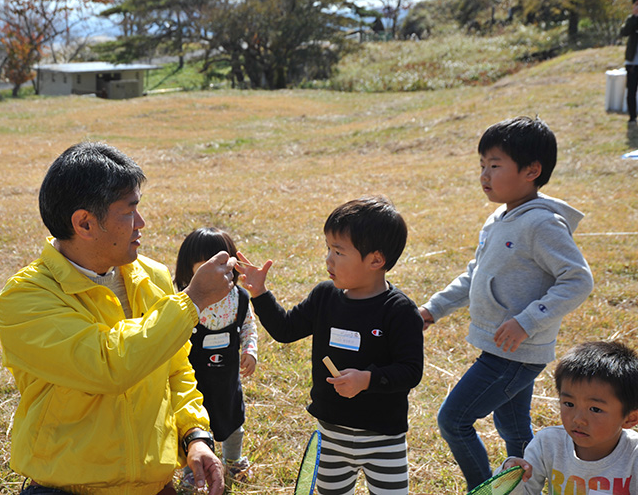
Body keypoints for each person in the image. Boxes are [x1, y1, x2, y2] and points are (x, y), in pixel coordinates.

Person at [0, 142, 233, 495]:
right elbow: (109, 365)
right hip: (69, 488)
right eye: (128, 211)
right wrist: (194, 299)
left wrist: (193, 435)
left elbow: (176, 368)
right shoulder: (26, 299)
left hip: (153, 485)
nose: (141, 223)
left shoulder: (152, 277)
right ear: (85, 223)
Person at [419, 116, 595, 491]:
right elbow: (474, 275)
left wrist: (527, 321)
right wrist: (433, 309)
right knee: (514, 429)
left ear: (532, 170)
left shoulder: (542, 225)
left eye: (495, 165)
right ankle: (526, 486)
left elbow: (578, 279)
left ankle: (483, 488)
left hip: (516, 351)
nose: (484, 175)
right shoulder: (499, 218)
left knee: (454, 420)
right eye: (482, 165)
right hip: (503, 347)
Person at [237, 196, 424, 495]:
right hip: (331, 432)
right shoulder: (325, 296)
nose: (328, 259)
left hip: (383, 437)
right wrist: (259, 293)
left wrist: (367, 380)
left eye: (338, 251)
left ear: (376, 260)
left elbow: (411, 370)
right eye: (328, 249)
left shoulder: (399, 310)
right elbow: (285, 329)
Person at [173, 228, 258, 491]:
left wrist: (250, 350)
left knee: (233, 422)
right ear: (189, 271)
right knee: (192, 428)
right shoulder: (185, 300)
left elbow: (248, 326)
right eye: (204, 270)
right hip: (194, 380)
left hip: (227, 379)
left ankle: (232, 461)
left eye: (222, 267)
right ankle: (191, 469)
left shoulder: (239, 299)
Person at [496, 341, 638, 495]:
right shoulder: (549, 443)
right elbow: (526, 492)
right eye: (569, 404)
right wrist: (509, 476)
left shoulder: (634, 456)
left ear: (630, 418)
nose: (578, 419)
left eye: (595, 409)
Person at [620, 0, 638, 124]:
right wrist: (634, 17)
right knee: (631, 90)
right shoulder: (631, 20)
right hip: (632, 62)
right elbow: (623, 32)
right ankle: (632, 117)